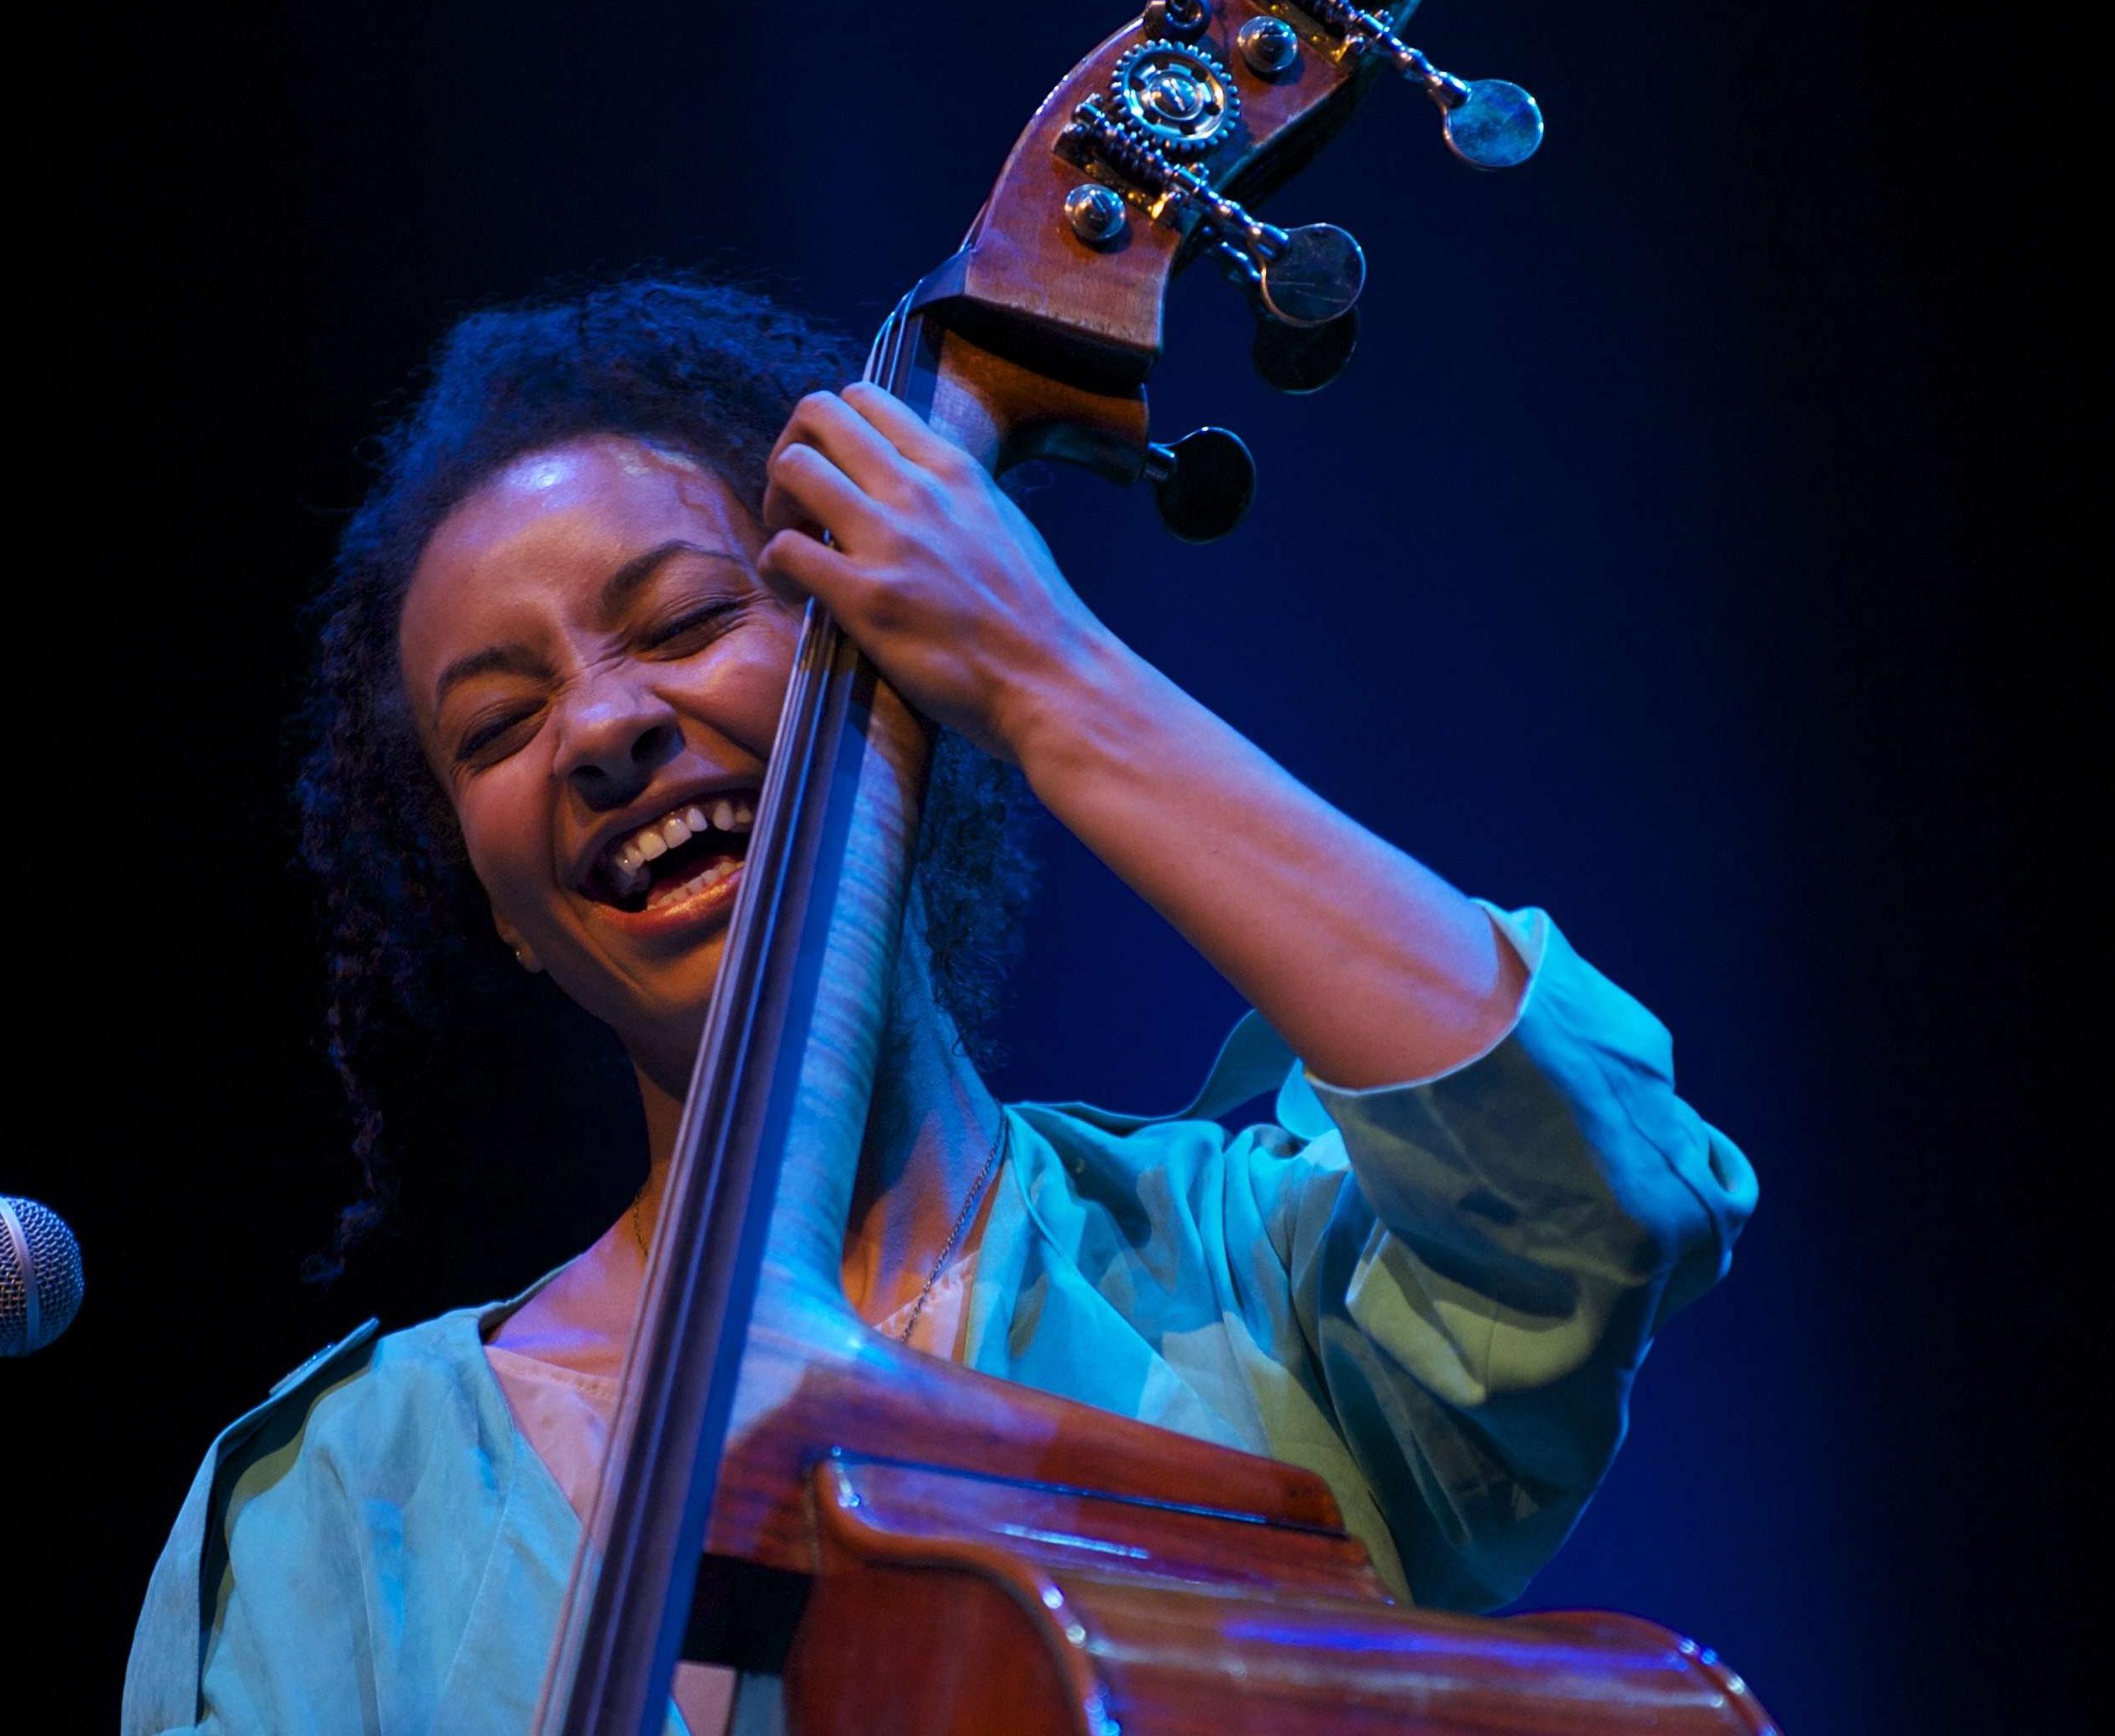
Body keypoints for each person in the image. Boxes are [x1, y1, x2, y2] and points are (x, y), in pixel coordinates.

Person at [120, 278, 1757, 1734]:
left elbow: (1589, 1197)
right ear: (504, 915)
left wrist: (1047, 671)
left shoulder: (1252, 1279)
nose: (604, 727)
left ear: (889, 654)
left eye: (688, 623)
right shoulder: (331, 1503)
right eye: (497, 726)